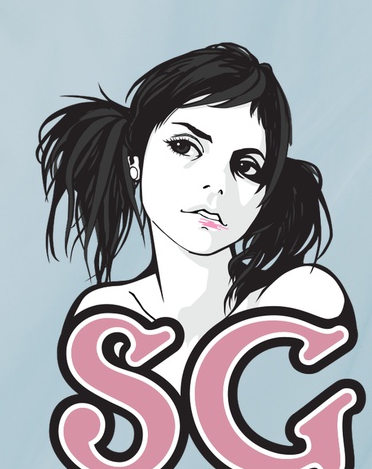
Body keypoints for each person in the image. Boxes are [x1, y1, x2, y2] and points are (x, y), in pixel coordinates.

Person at [40, 46, 347, 370]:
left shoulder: (300, 297)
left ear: (266, 194)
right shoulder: (107, 316)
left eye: (246, 167)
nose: (217, 185)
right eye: (185, 146)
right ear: (135, 162)